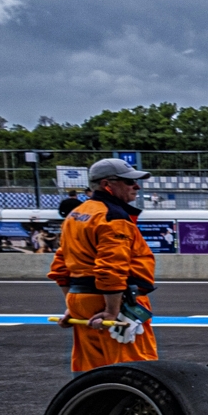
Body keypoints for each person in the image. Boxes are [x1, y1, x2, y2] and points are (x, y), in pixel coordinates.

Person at [47, 158, 159, 370]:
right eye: (129, 182)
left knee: (90, 368)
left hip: (81, 299)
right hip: (116, 302)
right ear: (108, 184)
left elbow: (60, 266)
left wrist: (72, 306)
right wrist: (111, 311)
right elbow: (112, 268)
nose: (136, 186)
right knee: (136, 368)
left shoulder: (76, 214)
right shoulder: (113, 216)